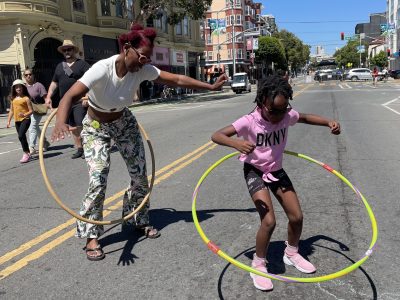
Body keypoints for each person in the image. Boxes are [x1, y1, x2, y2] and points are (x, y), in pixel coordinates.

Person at [51, 24, 227, 261]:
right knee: (98, 176)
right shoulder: (102, 69)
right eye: (142, 55)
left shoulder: (142, 70)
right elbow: (70, 94)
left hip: (124, 122)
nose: (145, 61)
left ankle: (138, 218)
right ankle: (91, 236)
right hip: (95, 126)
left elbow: (175, 79)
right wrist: (60, 122)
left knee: (139, 175)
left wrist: (210, 85)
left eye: (148, 58)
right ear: (127, 48)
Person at [211, 75, 340, 291]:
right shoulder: (249, 121)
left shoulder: (285, 115)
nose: (279, 116)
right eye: (274, 111)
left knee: (297, 217)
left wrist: (328, 122)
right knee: (269, 221)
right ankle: (258, 263)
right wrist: (235, 143)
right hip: (255, 171)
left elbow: (305, 118)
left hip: (276, 170)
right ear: (262, 102)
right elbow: (216, 135)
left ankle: (291, 252)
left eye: (284, 110)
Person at [45, 39, 90, 159]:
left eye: (69, 49)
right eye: (64, 50)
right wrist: (48, 96)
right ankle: (79, 148)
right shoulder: (60, 66)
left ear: (74, 50)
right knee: (72, 127)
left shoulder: (82, 64)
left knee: (81, 124)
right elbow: (54, 83)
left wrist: (87, 96)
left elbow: (92, 81)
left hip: (80, 100)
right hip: (65, 103)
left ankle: (87, 147)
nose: (67, 52)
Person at [24, 68, 51, 155]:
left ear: (33, 75)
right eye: (26, 75)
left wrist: (50, 107)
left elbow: (45, 98)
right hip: (28, 110)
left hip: (38, 109)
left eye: (30, 74)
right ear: (24, 77)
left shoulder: (39, 85)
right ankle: (45, 142)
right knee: (35, 127)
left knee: (32, 126)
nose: (28, 76)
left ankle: (31, 147)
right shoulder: (23, 87)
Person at [6, 79, 34, 163]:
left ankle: (26, 153)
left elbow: (31, 111)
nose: (18, 88)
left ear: (23, 88)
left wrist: (25, 115)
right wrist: (8, 121)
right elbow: (11, 110)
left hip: (26, 119)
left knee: (21, 135)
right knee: (22, 137)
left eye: (20, 87)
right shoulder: (13, 99)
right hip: (17, 121)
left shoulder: (26, 98)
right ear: (14, 89)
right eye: (16, 87)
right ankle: (28, 153)